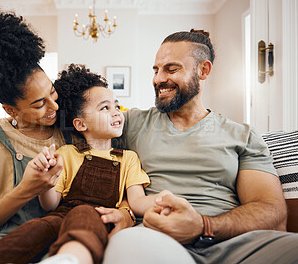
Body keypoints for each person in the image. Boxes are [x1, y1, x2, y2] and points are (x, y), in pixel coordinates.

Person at [0, 7, 131, 263]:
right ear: (11, 109)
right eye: (38, 104)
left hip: (64, 238)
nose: (54, 107)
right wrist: (25, 190)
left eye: (52, 93)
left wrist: (127, 214)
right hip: (7, 242)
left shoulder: (70, 132)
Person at [102, 29, 298, 264]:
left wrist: (203, 225)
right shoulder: (132, 122)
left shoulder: (242, 135)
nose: (158, 79)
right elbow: (80, 127)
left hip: (233, 243)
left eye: (171, 69)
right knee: (128, 244)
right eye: (156, 70)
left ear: (203, 70)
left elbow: (273, 214)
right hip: (157, 241)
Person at [0, 64, 161, 264]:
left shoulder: (128, 158)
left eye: (117, 106)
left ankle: (70, 258)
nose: (116, 113)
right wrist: (44, 176)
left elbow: (137, 201)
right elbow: (50, 204)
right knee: (35, 228)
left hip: (97, 218)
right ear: (80, 124)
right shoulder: (66, 152)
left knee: (83, 213)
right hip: (59, 216)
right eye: (105, 108)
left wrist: (160, 202)